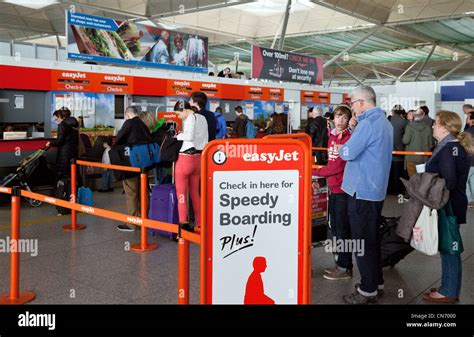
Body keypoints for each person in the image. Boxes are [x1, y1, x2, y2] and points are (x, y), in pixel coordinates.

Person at [338, 86, 393, 304]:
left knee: (361, 242)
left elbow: (347, 153)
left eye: (352, 102)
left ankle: (366, 290)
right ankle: (376, 281)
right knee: (371, 240)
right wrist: (355, 130)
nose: (351, 107)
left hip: (360, 191)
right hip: (375, 190)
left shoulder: (367, 124)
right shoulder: (384, 123)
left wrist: (346, 139)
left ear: (361, 102)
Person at [422, 111, 473, 304]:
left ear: (444, 126)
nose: (433, 126)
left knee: (449, 248)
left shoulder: (448, 149)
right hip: (454, 202)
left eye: (436, 123)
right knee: (449, 245)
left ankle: (449, 291)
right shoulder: (453, 147)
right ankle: (448, 287)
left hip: (448, 204)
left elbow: (449, 181)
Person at [313, 105, 353, 281]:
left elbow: (337, 165)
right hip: (333, 187)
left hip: (342, 189)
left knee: (342, 229)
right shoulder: (332, 136)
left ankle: (345, 267)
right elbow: (331, 161)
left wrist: (315, 173)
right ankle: (341, 264)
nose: (340, 120)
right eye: (338, 117)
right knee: (336, 228)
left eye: (344, 118)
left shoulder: (347, 138)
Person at [115, 106, 152, 232]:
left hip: (130, 163)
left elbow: (118, 139)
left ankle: (132, 223)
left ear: (127, 115)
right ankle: (144, 220)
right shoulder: (143, 124)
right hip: (145, 164)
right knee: (144, 192)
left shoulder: (129, 123)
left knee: (131, 192)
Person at [175, 100, 208, 230]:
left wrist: (177, 136)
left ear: (185, 110)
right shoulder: (202, 118)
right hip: (198, 158)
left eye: (178, 113)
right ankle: (200, 224)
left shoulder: (190, 118)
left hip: (185, 159)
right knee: (195, 193)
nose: (178, 116)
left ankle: (183, 227)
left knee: (181, 194)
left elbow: (188, 136)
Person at [46, 108, 80, 179]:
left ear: (61, 117)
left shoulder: (62, 125)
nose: (56, 121)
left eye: (56, 119)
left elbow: (60, 141)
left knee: (64, 175)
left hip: (65, 155)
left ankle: (65, 190)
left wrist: (50, 142)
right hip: (73, 153)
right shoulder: (73, 125)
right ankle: (77, 189)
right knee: (74, 173)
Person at [402, 108, 434, 177]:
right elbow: (431, 144)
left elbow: (405, 141)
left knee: (413, 180)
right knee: (422, 180)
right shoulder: (427, 128)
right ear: (423, 116)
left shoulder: (409, 127)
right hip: (424, 158)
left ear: (414, 115)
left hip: (411, 158)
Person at [388, 105, 408, 195]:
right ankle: (398, 190)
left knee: (389, 172)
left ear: (393, 111)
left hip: (388, 150)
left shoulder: (388, 121)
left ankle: (389, 189)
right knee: (398, 171)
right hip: (400, 150)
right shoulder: (404, 122)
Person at [464, 111, 474, 206]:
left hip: (469, 160)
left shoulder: (467, 132)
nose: (466, 119)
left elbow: (463, 146)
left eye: (468, 117)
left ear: (472, 120)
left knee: (465, 180)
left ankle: (469, 200)